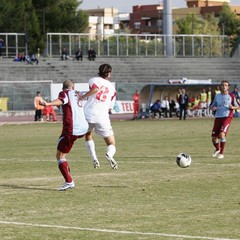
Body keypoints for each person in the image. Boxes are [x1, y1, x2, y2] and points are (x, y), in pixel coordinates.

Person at [40, 79, 89, 191]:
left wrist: (48, 103)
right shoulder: (77, 93)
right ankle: (68, 177)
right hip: (83, 128)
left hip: (72, 129)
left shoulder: (64, 93)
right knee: (63, 153)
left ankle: (69, 181)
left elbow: (61, 100)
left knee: (60, 156)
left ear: (63, 88)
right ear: (73, 86)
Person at [78, 64, 118, 170]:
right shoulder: (112, 89)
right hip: (102, 116)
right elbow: (110, 107)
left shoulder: (93, 79)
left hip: (88, 113)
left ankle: (94, 158)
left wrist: (82, 97)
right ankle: (109, 155)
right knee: (111, 142)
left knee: (88, 135)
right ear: (109, 73)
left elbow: (95, 89)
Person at [210, 80, 239, 159]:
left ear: (228, 87)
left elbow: (238, 106)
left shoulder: (232, 96)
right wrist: (213, 108)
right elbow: (211, 106)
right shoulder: (217, 96)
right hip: (218, 117)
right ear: (220, 86)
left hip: (227, 117)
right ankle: (217, 149)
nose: (224, 86)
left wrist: (232, 107)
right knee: (213, 138)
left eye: (226, 85)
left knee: (222, 134)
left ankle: (222, 153)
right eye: (222, 85)